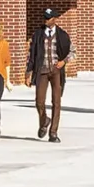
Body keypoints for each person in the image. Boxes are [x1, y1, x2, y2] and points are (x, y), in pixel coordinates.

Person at [27, 8, 72, 142]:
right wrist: (28, 71)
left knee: (56, 102)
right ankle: (44, 120)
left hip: (56, 71)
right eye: (45, 18)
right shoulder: (38, 34)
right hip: (42, 70)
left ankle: (53, 132)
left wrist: (63, 62)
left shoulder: (62, 35)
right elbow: (32, 54)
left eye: (49, 18)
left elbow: (72, 51)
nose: (46, 20)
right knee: (39, 101)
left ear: (54, 19)